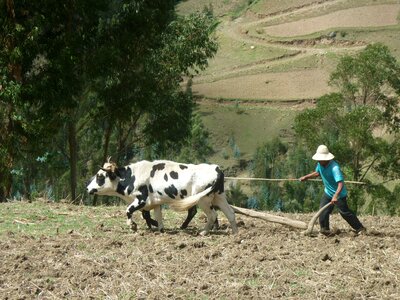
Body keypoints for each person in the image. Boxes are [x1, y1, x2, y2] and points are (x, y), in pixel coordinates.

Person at [299, 145, 366, 235]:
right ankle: (325, 230)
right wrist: (306, 177)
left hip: (339, 194)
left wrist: (335, 195)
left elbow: (340, 183)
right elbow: (318, 172)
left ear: (326, 159)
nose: (318, 161)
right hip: (328, 192)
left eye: (320, 159)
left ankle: (360, 228)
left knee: (344, 213)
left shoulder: (335, 168)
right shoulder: (320, 164)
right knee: (323, 212)